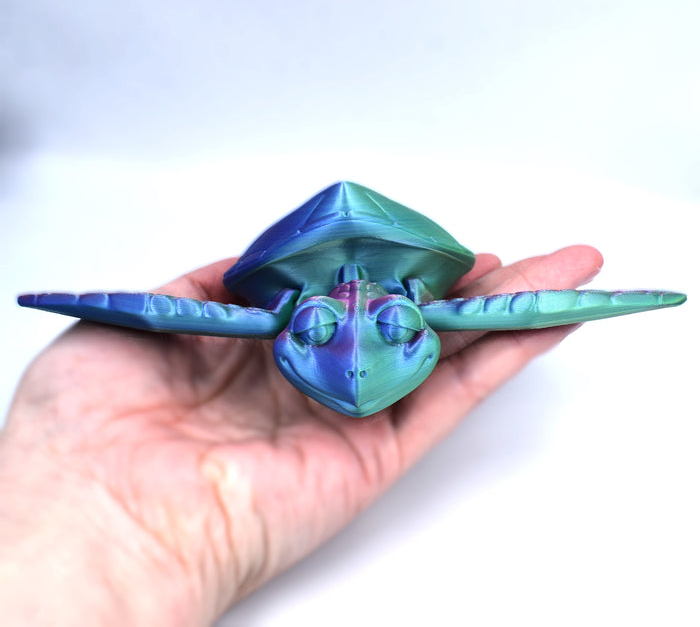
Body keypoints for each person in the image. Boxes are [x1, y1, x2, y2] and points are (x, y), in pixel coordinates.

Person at [0, 245, 602, 625]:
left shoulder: (285, 317)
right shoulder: (310, 318)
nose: (359, 377)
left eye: (398, 326)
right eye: (315, 328)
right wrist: (92, 516)